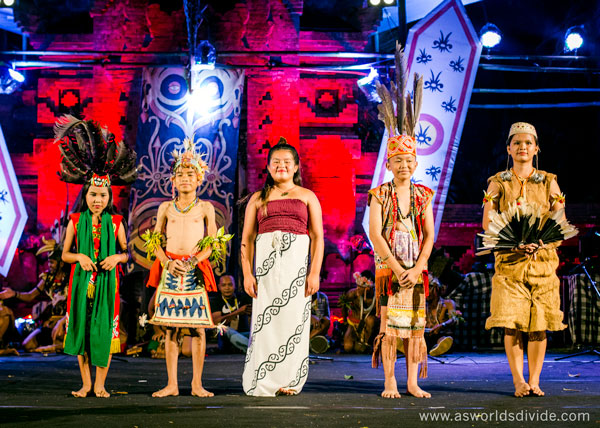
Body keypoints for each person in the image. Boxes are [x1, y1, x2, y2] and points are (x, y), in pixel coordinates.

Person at [482, 122, 567, 397]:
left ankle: (535, 380)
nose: (523, 147)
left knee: (539, 325)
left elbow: (560, 220)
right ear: (508, 148)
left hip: (542, 264)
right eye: (517, 142)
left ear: (536, 148)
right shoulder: (498, 182)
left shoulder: (548, 181)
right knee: (513, 323)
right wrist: (514, 244)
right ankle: (519, 380)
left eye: (528, 143)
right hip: (510, 264)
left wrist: (543, 241)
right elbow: (488, 221)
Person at [54, 115, 137, 398]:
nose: (97, 200)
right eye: (93, 195)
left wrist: (116, 259)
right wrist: (79, 257)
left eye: (102, 195)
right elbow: (65, 254)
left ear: (109, 196)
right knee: (83, 330)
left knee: (102, 332)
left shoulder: (116, 223)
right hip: (80, 283)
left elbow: (127, 254)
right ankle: (86, 384)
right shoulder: (75, 221)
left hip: (107, 284)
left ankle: (101, 384)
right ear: (86, 195)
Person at [241, 137, 324, 396]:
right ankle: (262, 379)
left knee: (293, 322)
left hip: (296, 269)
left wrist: (314, 273)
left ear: (296, 166)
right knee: (265, 323)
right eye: (276, 161)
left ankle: (289, 380)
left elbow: (317, 237)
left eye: (287, 161)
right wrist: (247, 274)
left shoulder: (307, 196)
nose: (281, 166)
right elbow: (247, 239)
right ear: (268, 167)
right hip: (266, 270)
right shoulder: (258, 198)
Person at [145, 137, 219, 398]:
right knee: (170, 328)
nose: (185, 179)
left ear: (199, 179)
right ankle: (172, 384)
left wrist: (194, 261)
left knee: (198, 327)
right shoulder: (166, 207)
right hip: (171, 269)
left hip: (193, 271)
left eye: (190, 175)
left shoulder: (206, 207)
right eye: (180, 175)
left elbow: (212, 243)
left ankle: (197, 384)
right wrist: (167, 262)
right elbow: (155, 241)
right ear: (173, 181)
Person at [0, 239, 70, 353]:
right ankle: (53, 345)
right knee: (28, 345)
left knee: (60, 337)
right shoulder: (47, 278)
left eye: (52, 262)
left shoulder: (69, 279)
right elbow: (30, 295)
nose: (49, 265)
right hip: (50, 322)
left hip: (66, 320)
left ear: (61, 264)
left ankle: (54, 347)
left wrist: (63, 320)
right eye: (48, 262)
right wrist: (14, 294)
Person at [210, 275, 252, 353]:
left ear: (235, 285)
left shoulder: (242, 298)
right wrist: (238, 312)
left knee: (255, 334)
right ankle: (252, 349)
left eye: (230, 285)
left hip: (241, 334)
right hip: (225, 337)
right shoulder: (216, 301)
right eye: (223, 285)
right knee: (225, 329)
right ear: (219, 287)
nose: (227, 288)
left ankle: (247, 348)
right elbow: (216, 322)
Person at [341, 270, 377, 353]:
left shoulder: (377, 298)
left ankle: (367, 343)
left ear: (368, 288)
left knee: (371, 320)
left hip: (369, 327)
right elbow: (343, 306)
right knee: (348, 347)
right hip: (354, 324)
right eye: (357, 286)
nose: (357, 288)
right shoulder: (352, 294)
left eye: (360, 287)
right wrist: (345, 321)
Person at [425, 275, 460, 357]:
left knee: (443, 339)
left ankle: (440, 347)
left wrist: (442, 325)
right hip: (425, 336)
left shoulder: (448, 303)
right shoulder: (422, 304)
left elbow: (453, 319)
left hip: (441, 334)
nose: (425, 293)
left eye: (429, 289)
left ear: (437, 289)